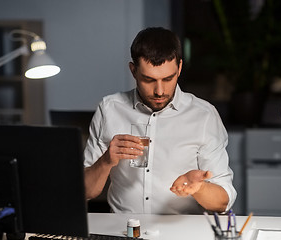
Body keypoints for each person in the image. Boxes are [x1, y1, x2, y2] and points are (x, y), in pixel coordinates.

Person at [84, 27, 236, 214]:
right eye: (148, 80)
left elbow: (223, 201)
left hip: (180, 232)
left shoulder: (204, 115)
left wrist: (200, 188)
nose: (159, 91)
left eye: (168, 78)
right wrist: (106, 160)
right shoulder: (109, 109)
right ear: (133, 70)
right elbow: (84, 192)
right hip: (122, 230)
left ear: (179, 68)